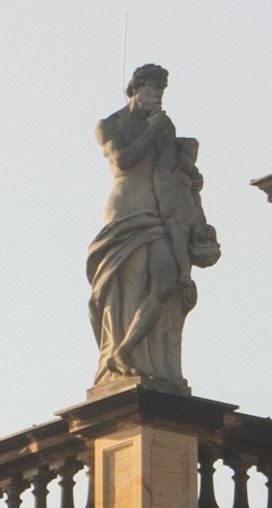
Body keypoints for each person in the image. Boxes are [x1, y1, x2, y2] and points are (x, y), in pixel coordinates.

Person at [86, 64, 222, 396]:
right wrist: (151, 131)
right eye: (151, 91)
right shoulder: (110, 124)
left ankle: (130, 351)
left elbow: (169, 168)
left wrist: (189, 178)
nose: (157, 97)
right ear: (135, 90)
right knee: (131, 287)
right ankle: (121, 359)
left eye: (160, 92)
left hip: (160, 214)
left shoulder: (164, 125)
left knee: (167, 281)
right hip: (126, 212)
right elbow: (123, 160)